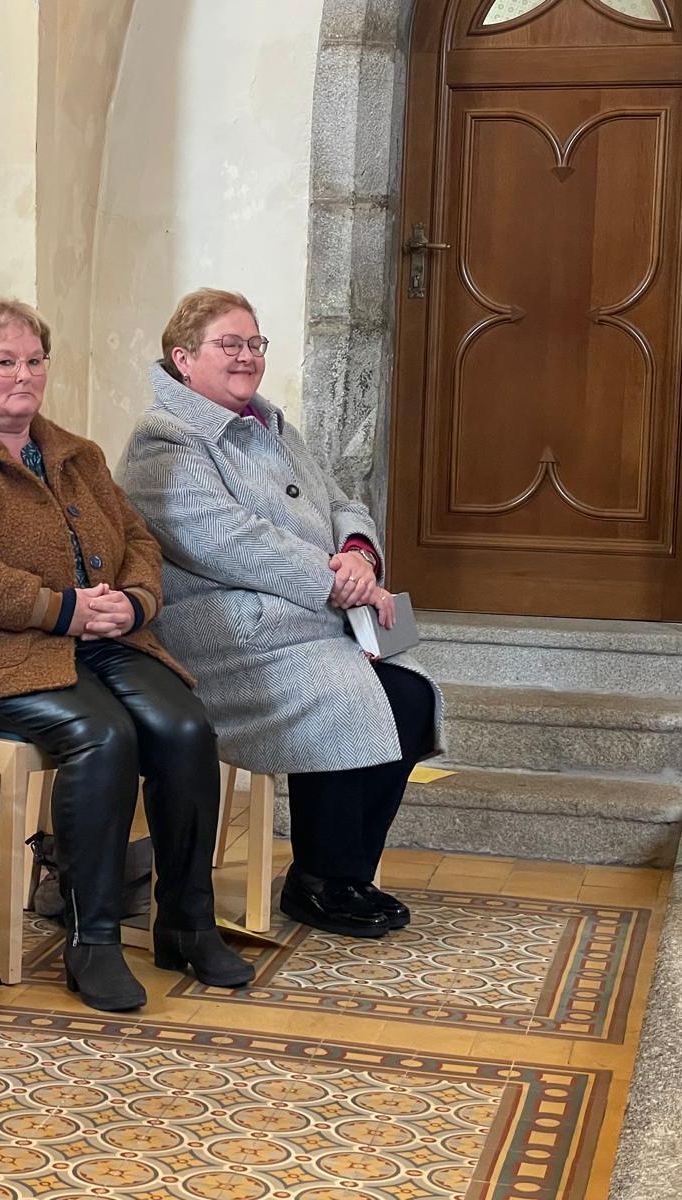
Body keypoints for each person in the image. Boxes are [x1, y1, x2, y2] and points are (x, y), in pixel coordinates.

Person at [0, 297, 252, 1013]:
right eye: (4, 361)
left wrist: (135, 602)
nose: (24, 375)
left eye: (35, 360)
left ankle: (187, 924)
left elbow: (138, 539)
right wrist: (60, 608)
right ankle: (94, 940)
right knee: (103, 736)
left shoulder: (76, 454)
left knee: (185, 727)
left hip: (97, 642)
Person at [119, 289, 444, 940]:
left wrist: (359, 555)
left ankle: (344, 873)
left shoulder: (272, 425)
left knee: (412, 694)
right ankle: (320, 881)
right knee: (347, 694)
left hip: (310, 618)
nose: (247, 357)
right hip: (228, 637)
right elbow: (226, 539)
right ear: (184, 359)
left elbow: (343, 501)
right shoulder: (164, 440)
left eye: (255, 343)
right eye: (229, 344)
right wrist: (339, 583)